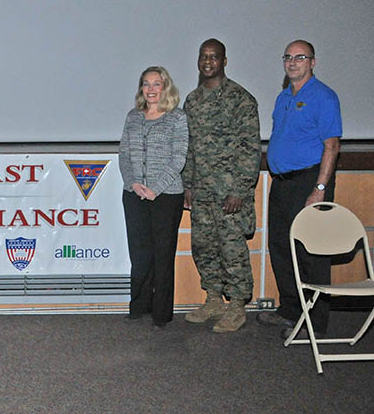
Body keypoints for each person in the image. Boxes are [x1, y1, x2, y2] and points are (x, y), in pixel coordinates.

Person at [257, 40, 342, 339]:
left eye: (300, 57)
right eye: (288, 58)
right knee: (280, 248)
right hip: (282, 185)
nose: (293, 63)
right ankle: (291, 310)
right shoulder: (283, 97)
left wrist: (319, 188)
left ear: (313, 62)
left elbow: (331, 145)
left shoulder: (324, 97)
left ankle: (315, 323)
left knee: (312, 253)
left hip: (309, 184)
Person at [182, 38, 261, 333]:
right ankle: (213, 299)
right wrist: (187, 184)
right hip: (201, 192)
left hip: (230, 194)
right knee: (203, 247)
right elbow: (189, 147)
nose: (208, 61)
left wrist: (239, 189)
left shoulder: (241, 100)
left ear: (224, 61)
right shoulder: (192, 101)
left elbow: (250, 148)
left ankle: (238, 306)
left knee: (232, 249)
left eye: (214, 57)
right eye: (203, 56)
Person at [118, 66, 188, 328]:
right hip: (134, 194)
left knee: (162, 254)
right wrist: (133, 183)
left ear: (165, 87)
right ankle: (139, 306)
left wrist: (155, 188)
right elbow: (124, 154)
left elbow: (178, 158)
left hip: (166, 196)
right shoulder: (133, 117)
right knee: (140, 255)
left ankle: (161, 314)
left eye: (156, 84)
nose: (150, 89)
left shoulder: (176, 118)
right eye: (146, 84)